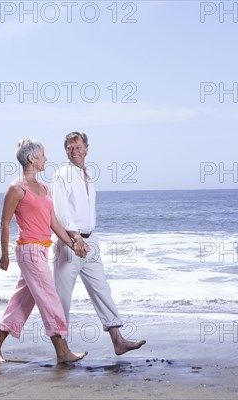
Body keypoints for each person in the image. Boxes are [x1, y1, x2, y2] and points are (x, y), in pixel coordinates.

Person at [0, 138, 87, 364]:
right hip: (28, 251)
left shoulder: (43, 188)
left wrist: (73, 244)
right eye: (42, 155)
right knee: (50, 299)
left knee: (22, 300)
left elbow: (54, 223)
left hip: (42, 250)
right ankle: (62, 351)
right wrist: (4, 254)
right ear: (32, 158)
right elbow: (4, 223)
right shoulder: (16, 188)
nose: (46, 159)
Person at [51, 132, 146, 355]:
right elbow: (61, 213)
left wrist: (87, 239)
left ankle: (118, 340)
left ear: (87, 149)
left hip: (90, 240)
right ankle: (62, 350)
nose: (74, 151)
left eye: (78, 146)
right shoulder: (61, 175)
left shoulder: (89, 173)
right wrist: (75, 239)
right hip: (70, 243)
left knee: (102, 290)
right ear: (65, 150)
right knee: (62, 298)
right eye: (69, 147)